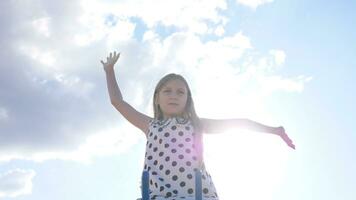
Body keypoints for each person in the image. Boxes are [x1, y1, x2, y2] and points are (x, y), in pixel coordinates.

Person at [101, 51, 295, 200]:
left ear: (188, 99)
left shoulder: (196, 125)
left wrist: (274, 130)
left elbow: (239, 123)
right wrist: (109, 71)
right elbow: (118, 102)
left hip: (197, 195)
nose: (174, 96)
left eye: (180, 92)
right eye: (167, 91)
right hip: (157, 196)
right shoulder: (150, 125)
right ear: (157, 99)